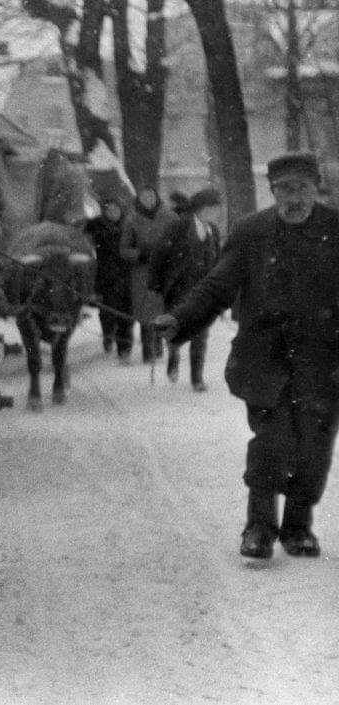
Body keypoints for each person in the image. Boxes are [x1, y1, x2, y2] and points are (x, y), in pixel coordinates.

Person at [154, 152, 339, 560]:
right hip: (265, 358)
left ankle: (298, 527)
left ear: (316, 189)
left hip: (323, 360)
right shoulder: (252, 232)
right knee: (272, 443)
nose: (295, 198)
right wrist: (179, 319)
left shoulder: (335, 229)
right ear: (272, 191)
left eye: (302, 188)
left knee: (314, 449)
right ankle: (258, 527)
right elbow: (216, 287)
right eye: (285, 189)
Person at [149, 187, 222, 391]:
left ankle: (196, 378)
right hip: (179, 288)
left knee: (201, 333)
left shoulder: (213, 231)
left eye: (217, 209)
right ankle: (173, 354)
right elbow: (159, 255)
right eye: (213, 209)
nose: (216, 213)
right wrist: (155, 284)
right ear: (200, 209)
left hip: (203, 291)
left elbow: (217, 261)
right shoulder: (178, 227)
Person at [121, 186, 177, 363]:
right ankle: (148, 348)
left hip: (165, 270)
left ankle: (160, 342)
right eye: (144, 197)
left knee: (163, 306)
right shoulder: (131, 220)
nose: (148, 200)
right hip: (142, 272)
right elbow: (124, 249)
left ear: (156, 197)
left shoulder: (170, 217)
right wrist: (140, 254)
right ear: (139, 199)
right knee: (145, 309)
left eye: (151, 196)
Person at [86, 197, 132, 359]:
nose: (113, 212)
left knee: (125, 312)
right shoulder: (96, 226)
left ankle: (124, 347)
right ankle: (108, 335)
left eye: (116, 209)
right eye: (109, 210)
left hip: (125, 274)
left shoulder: (128, 226)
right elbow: (80, 232)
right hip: (105, 275)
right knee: (107, 311)